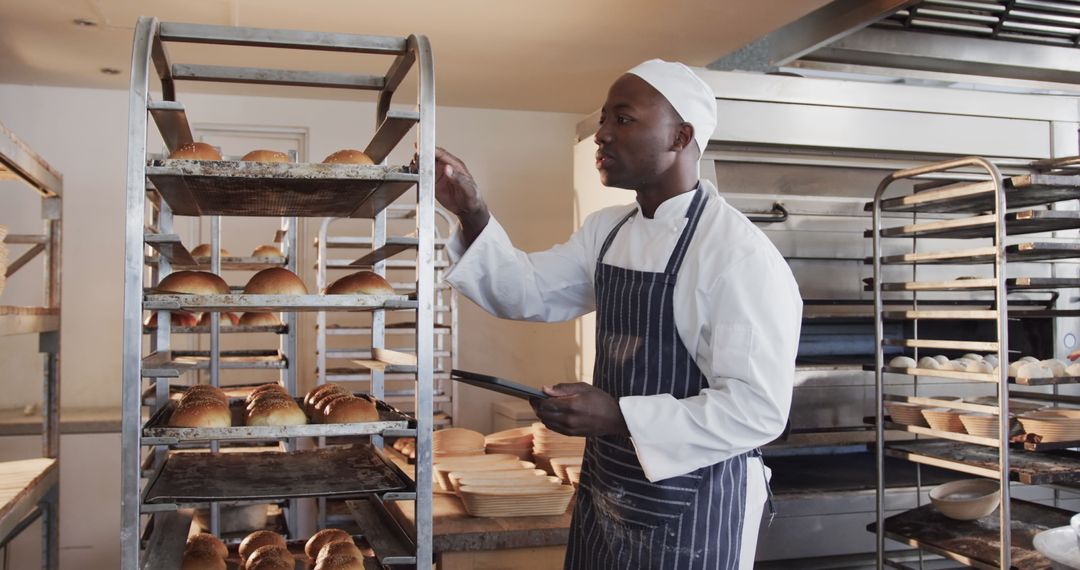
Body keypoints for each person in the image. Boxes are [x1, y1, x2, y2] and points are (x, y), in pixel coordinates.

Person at [437, 59, 802, 569]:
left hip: (695, 508)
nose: (601, 137)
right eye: (603, 120)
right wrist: (471, 211)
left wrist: (617, 414)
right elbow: (524, 290)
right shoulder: (608, 230)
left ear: (681, 136)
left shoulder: (736, 255)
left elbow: (757, 409)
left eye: (623, 120)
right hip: (607, 490)